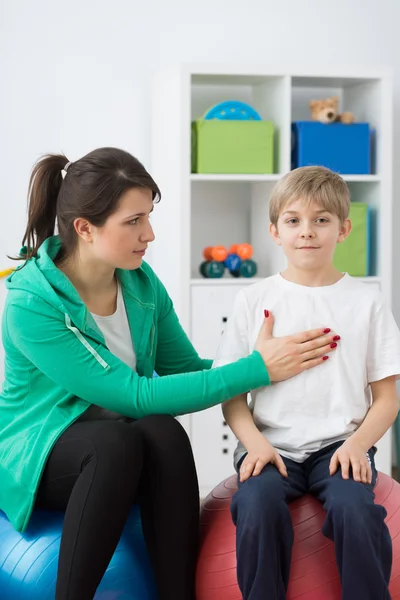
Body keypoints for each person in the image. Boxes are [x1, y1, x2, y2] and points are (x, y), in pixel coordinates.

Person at [0, 148, 339, 600]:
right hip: (39, 452)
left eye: (149, 217)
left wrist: (267, 364)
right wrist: (256, 369)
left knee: (163, 432)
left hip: (119, 450)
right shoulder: (32, 303)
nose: (150, 234)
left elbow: (187, 369)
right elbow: (133, 396)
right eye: (134, 221)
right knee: (117, 441)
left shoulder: (140, 283)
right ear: (85, 228)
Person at [214, 166, 400, 600]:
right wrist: (255, 444)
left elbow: (387, 397)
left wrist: (357, 446)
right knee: (256, 507)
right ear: (274, 231)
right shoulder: (253, 299)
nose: (307, 232)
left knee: (356, 511)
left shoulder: (367, 302)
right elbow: (231, 394)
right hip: (270, 446)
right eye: (294, 220)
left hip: (340, 445)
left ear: (344, 228)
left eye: (321, 220)